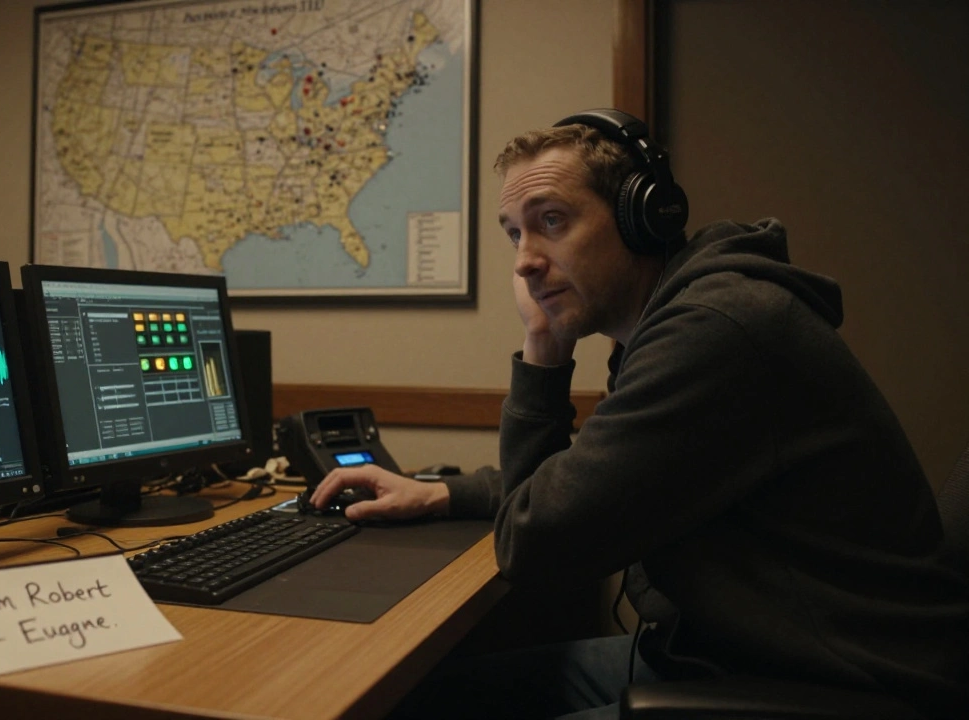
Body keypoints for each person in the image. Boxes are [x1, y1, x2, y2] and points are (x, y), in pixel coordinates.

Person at [309, 109, 969, 718]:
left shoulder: (716, 330)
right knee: (427, 699)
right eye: (515, 233)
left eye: (552, 221)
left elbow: (535, 545)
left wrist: (543, 351)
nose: (526, 261)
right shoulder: (679, 319)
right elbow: (589, 479)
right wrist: (441, 494)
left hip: (836, 689)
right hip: (730, 656)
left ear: (640, 216)